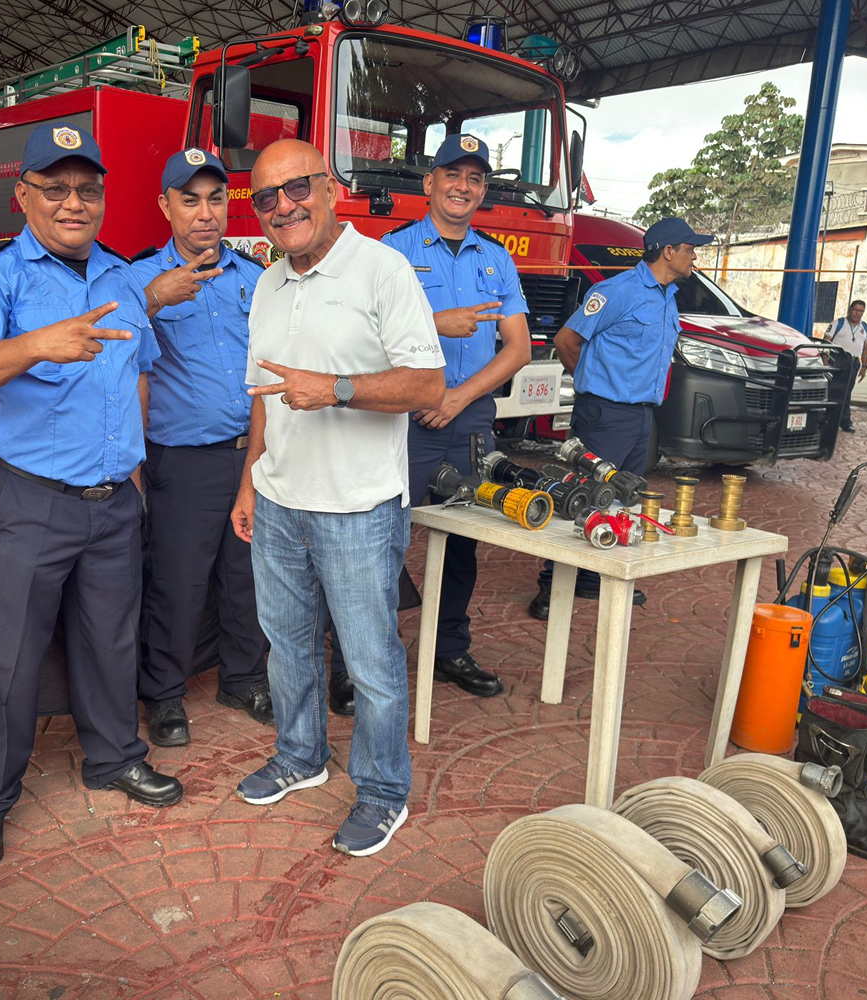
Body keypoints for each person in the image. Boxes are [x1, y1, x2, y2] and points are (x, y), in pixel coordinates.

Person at [0, 123, 182, 868]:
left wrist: (134, 473)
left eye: (87, 189)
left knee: (111, 642)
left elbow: (138, 375)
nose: (74, 202)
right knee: (7, 656)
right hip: (31, 499)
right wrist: (39, 342)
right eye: (56, 188)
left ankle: (113, 757)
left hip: (112, 501)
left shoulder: (122, 280)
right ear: (24, 196)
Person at [230, 139, 445, 857]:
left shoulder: (382, 271)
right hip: (282, 501)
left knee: (370, 660)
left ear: (329, 188)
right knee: (288, 649)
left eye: (296, 189)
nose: (283, 206)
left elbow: (428, 384)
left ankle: (384, 792)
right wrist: (250, 481)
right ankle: (300, 757)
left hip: (357, 507)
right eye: (266, 197)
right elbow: (265, 394)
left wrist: (339, 389)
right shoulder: (267, 284)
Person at [324, 135, 531, 706]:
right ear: (429, 184)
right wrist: (434, 321)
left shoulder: (497, 260)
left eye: (475, 179)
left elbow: (516, 348)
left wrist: (459, 397)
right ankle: (350, 663)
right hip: (402, 422)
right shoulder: (389, 253)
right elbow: (363, 337)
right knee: (380, 541)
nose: (464, 186)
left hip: (467, 421)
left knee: (465, 541)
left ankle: (448, 650)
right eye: (453, 175)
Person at [129, 149, 272, 747]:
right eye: (190, 200)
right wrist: (153, 298)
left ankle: (242, 677)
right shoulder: (139, 281)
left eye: (215, 199)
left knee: (248, 576)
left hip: (253, 451)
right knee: (178, 582)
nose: (205, 213)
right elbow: (114, 361)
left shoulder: (257, 278)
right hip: (182, 462)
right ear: (165, 206)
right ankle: (163, 694)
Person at [528, 216, 714, 620]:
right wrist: (590, 383)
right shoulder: (617, 291)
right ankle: (551, 584)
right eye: (690, 248)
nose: (694, 256)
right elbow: (566, 340)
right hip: (605, 413)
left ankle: (595, 579)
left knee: (621, 498)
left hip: (641, 416)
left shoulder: (668, 296)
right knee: (586, 492)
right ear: (668, 251)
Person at [823, 300, 867, 432]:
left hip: (853, 361)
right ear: (850, 309)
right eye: (855, 310)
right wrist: (825, 358)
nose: (857, 313)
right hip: (837, 359)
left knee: (846, 392)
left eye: (861, 311)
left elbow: (865, 347)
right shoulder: (838, 323)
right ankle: (828, 419)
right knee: (833, 390)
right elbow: (826, 340)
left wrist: (864, 366)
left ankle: (844, 421)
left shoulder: (865, 327)